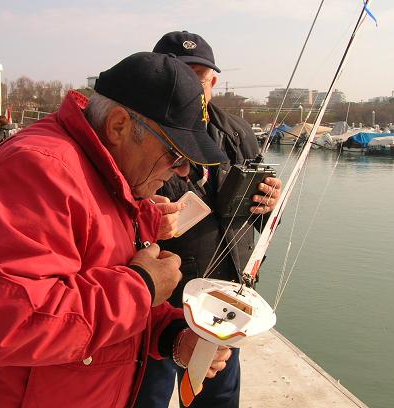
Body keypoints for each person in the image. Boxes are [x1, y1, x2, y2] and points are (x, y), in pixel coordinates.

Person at [0, 52, 234, 408]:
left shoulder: (112, 174)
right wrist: (144, 286)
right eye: (175, 154)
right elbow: (7, 325)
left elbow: (101, 286)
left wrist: (170, 335)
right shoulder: (40, 169)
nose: (183, 172)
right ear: (119, 125)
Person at [135, 31, 283, 408]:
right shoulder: (137, 135)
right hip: (157, 298)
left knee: (215, 395)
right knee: (146, 393)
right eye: (179, 73)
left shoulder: (237, 132)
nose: (191, 84)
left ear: (213, 82)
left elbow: (260, 213)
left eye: (199, 75)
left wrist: (269, 206)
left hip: (221, 297)